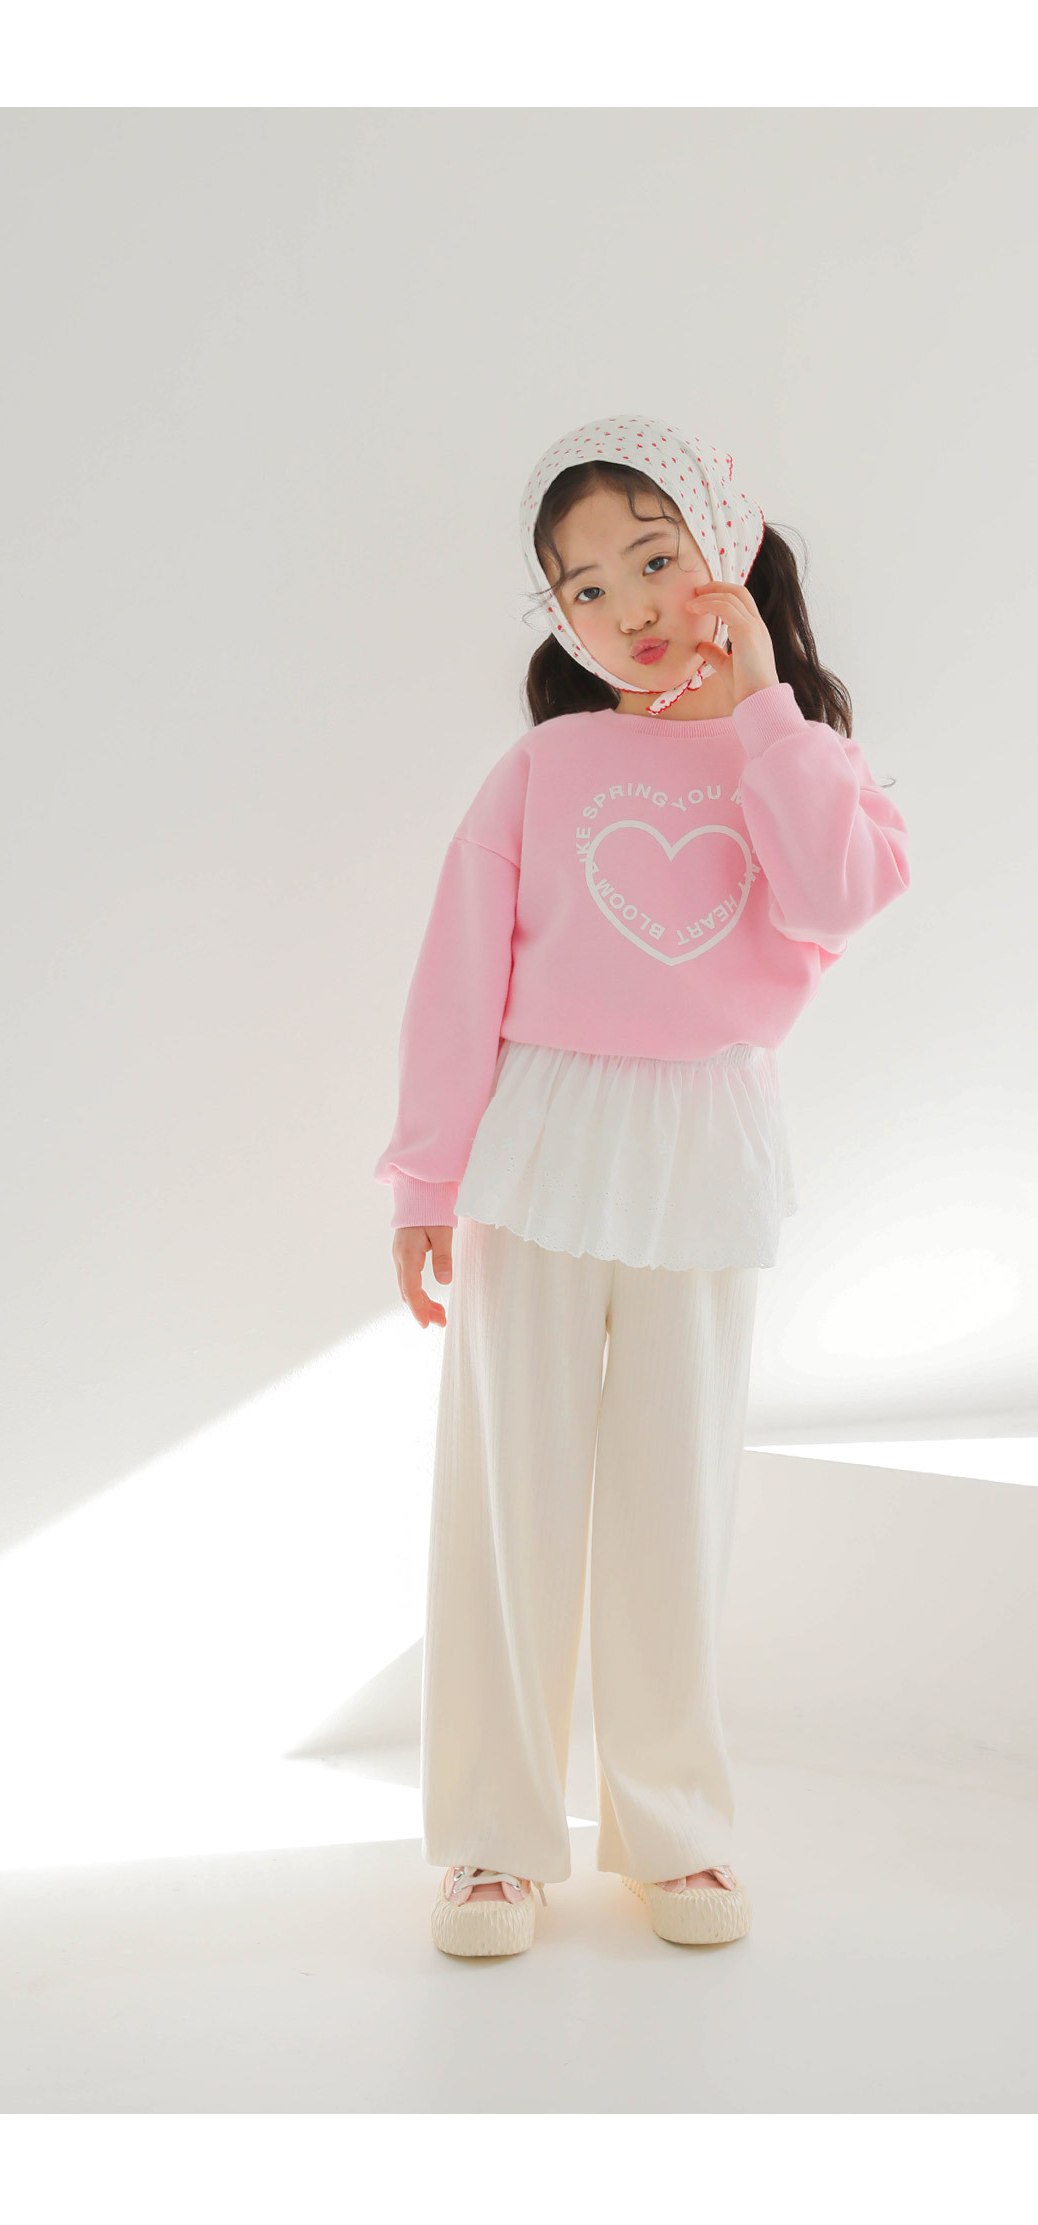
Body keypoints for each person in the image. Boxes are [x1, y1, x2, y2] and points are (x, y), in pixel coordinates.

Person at [373, 413, 910, 1960]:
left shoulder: (799, 759)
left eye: (655, 559)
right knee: (510, 1495)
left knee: (675, 1499)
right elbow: (455, 980)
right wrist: (424, 1179)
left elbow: (836, 897)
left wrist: (763, 708)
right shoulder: (542, 768)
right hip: (539, 1138)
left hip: (703, 1142)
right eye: (585, 589)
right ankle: (493, 1842)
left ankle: (671, 1827)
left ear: (723, 553)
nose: (628, 608)